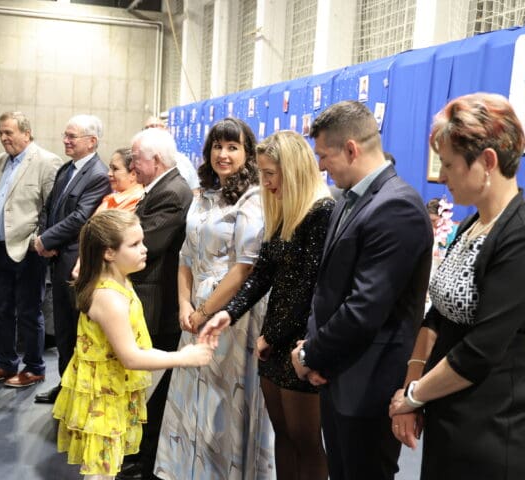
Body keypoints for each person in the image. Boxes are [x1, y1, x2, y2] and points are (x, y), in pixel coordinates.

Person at [287, 100, 432, 480]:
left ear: (351, 149)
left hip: (368, 384)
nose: (321, 166)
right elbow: (328, 291)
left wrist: (311, 355)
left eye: (324, 155)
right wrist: (317, 356)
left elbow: (365, 308)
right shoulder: (349, 199)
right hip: (338, 375)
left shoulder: (397, 206)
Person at [388, 93, 525, 479]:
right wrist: (413, 386)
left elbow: (480, 351)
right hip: (448, 417)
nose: (442, 177)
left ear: (487, 162)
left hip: (490, 433)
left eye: (448, 165)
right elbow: (438, 314)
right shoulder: (471, 225)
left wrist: (413, 396)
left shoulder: (517, 235)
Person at [199, 130, 334, 480]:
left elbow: (307, 288)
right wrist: (228, 313)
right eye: (262, 173)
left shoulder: (321, 212)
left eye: (271, 173)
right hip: (273, 340)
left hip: (299, 342)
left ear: (293, 170)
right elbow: (262, 274)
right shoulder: (283, 210)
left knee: (306, 442)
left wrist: (271, 336)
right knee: (283, 437)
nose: (266, 182)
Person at [52, 210, 213, 480]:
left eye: (142, 241)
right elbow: (131, 357)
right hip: (104, 397)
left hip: (114, 390)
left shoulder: (121, 283)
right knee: (101, 473)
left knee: (107, 468)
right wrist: (184, 358)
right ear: (109, 253)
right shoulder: (109, 297)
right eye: (135, 244)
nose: (144, 249)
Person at [155, 118, 275, 479]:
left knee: (224, 403)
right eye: (218, 147)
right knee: (194, 395)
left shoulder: (254, 199)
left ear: (247, 154)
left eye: (233, 147)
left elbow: (245, 268)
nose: (223, 154)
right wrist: (185, 305)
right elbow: (185, 256)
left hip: (232, 315)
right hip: (195, 311)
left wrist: (206, 310)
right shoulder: (203, 196)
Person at [118, 128, 193, 480]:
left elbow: (145, 242)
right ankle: (137, 455)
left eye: (136, 158)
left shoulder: (173, 192)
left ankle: (143, 461)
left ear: (157, 161)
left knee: (152, 391)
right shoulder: (161, 188)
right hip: (147, 300)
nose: (131, 164)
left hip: (157, 305)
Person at [0, 111, 62, 388]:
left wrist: (40, 240)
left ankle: (34, 367)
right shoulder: (0, 161)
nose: (3, 138)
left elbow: (51, 208)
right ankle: (6, 364)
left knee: (28, 312)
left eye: (8, 133)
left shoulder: (47, 162)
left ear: (26, 133)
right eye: (0, 133)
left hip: (29, 251)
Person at [33, 114, 110, 404]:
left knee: (77, 329)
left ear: (92, 141)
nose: (65, 140)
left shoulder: (98, 174)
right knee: (63, 329)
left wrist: (47, 241)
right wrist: (45, 239)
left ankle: (78, 392)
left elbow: (81, 218)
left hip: (76, 262)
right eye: (65, 135)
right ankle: (65, 386)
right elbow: (49, 207)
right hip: (56, 257)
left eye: (72, 136)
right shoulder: (66, 169)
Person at [143, 116, 200, 190]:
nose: (150, 130)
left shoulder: (183, 160)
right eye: (147, 128)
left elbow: (195, 189)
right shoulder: (139, 161)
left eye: (154, 126)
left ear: (166, 129)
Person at [95, 148, 144, 213]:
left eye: (115, 169)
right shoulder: (113, 197)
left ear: (133, 174)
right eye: (110, 168)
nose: (109, 173)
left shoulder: (137, 202)